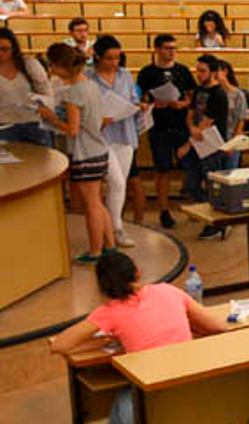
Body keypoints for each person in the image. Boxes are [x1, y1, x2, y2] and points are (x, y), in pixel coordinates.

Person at [49, 251, 229, 424]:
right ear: (138, 273)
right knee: (177, 386)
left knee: (119, 406)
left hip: (155, 417)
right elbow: (219, 326)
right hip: (198, 404)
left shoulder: (109, 312)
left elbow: (58, 345)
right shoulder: (168, 291)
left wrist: (108, 337)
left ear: (104, 288)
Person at [38, 44, 114, 262]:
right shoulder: (90, 85)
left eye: (52, 65)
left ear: (62, 65)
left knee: (91, 206)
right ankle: (108, 245)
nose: (51, 70)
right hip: (98, 150)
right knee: (98, 202)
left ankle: (96, 251)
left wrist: (50, 117)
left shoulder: (73, 93)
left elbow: (72, 129)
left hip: (85, 153)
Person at [89, 35, 145, 249]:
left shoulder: (125, 75)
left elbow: (132, 98)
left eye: (117, 58)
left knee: (118, 186)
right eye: (109, 58)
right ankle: (115, 227)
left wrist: (138, 106)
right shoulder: (88, 77)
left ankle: (113, 228)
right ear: (98, 57)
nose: (114, 63)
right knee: (117, 182)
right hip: (102, 136)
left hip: (124, 132)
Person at [136, 34, 196, 228]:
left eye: (174, 48)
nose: (172, 52)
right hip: (159, 127)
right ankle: (164, 210)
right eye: (168, 48)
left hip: (180, 125)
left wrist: (181, 104)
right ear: (157, 50)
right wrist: (153, 104)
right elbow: (141, 99)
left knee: (190, 167)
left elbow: (191, 98)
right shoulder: (146, 73)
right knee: (162, 170)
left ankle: (193, 206)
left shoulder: (183, 71)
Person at [179, 54, 229, 232]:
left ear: (213, 73)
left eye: (202, 71)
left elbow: (207, 123)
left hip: (211, 146)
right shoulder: (199, 90)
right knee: (192, 183)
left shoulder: (219, 94)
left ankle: (216, 223)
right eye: (197, 70)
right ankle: (205, 212)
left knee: (212, 185)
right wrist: (191, 126)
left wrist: (188, 143)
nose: (198, 74)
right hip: (196, 142)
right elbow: (191, 112)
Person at [0, 27, 53, 146]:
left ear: (14, 48)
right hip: (3, 127)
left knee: (43, 163)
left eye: (5, 49)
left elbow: (46, 93)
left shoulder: (29, 64)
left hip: (34, 125)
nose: (0, 53)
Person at [214, 59, 247, 172]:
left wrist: (233, 143)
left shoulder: (238, 94)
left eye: (216, 71)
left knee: (230, 173)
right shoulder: (212, 92)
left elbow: (241, 119)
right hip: (214, 139)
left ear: (225, 72)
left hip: (231, 136)